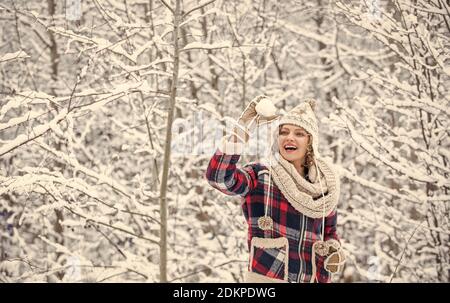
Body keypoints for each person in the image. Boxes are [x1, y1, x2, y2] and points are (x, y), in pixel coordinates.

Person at [205, 96, 345, 283]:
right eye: (284, 132)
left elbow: (329, 232)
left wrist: (332, 250)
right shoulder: (261, 176)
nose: (289, 137)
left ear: (311, 143)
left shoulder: (323, 187)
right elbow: (218, 177)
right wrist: (240, 133)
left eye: (299, 134)